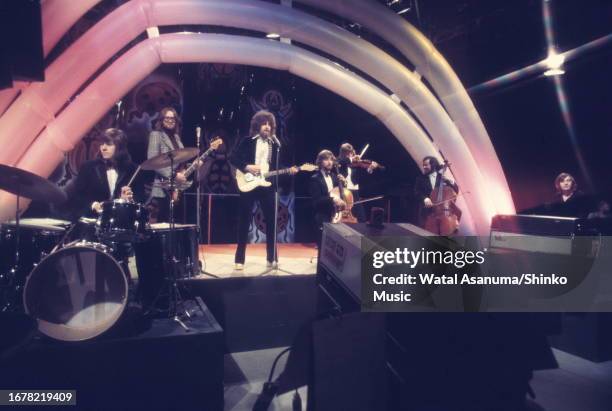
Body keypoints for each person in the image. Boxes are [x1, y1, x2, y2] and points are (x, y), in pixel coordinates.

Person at [229, 110, 297, 270]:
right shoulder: (248, 141)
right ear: (257, 125)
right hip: (247, 183)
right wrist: (247, 167)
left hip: (266, 185)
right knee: (244, 221)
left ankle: (271, 258)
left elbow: (276, 168)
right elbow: (233, 158)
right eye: (264, 124)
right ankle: (239, 259)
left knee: (272, 220)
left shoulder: (275, 145)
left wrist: (289, 170)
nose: (266, 127)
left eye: (269, 124)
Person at [66, 128, 142, 219]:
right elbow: (76, 196)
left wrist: (128, 200)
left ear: (120, 147)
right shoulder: (88, 167)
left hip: (120, 220)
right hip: (92, 219)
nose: (103, 148)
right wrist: (93, 205)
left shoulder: (133, 169)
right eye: (102, 144)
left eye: (109, 144)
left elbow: (141, 200)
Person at [147, 106, 187, 222]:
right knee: (163, 223)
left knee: (176, 223)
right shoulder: (156, 135)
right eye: (167, 118)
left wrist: (191, 165)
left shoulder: (176, 137)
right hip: (162, 188)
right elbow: (153, 161)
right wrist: (173, 175)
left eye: (173, 118)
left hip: (177, 188)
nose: (170, 120)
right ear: (161, 120)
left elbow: (180, 160)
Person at [309, 150, 346, 248]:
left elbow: (342, 195)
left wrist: (344, 183)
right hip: (323, 215)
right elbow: (317, 201)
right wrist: (332, 199)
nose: (330, 162)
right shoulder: (315, 178)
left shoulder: (335, 177)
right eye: (326, 159)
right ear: (320, 162)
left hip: (337, 214)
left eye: (331, 159)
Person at [336, 143, 380, 222]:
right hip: (344, 192)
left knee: (361, 217)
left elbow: (363, 176)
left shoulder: (356, 165)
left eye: (352, 153)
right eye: (349, 153)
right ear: (344, 153)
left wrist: (370, 168)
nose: (352, 155)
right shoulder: (339, 161)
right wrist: (351, 159)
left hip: (355, 192)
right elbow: (341, 162)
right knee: (345, 217)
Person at [413, 156, 459, 229]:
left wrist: (451, 182)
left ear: (433, 165)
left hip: (442, 212)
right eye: (423, 165)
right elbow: (416, 192)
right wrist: (425, 199)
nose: (424, 167)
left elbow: (455, 190)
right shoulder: (420, 178)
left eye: (426, 165)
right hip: (426, 213)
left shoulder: (442, 178)